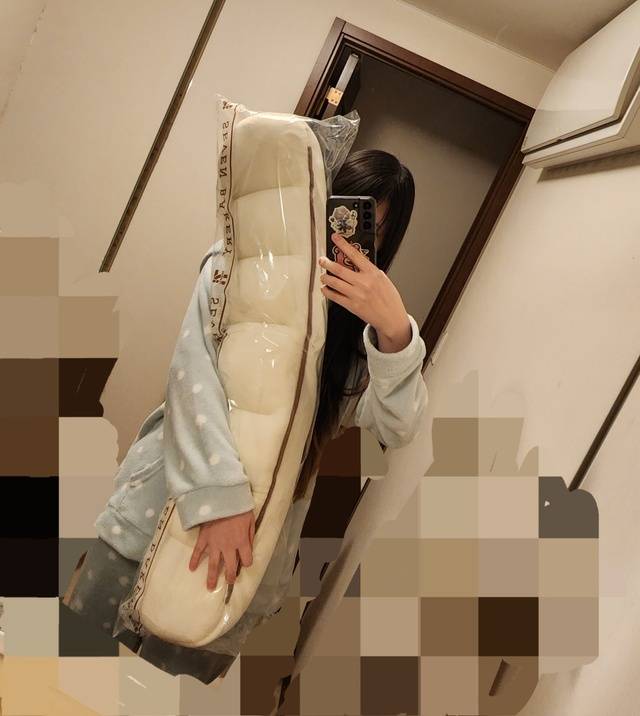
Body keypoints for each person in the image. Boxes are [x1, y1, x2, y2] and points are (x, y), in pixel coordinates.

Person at [64, 149, 428, 684]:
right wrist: (221, 499)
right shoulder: (238, 262)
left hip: (243, 562)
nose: (345, 236)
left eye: (368, 226)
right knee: (69, 675)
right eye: (342, 210)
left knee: (161, 699)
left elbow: (396, 427)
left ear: (382, 242)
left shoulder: (362, 338)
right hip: (155, 512)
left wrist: (395, 334)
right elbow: (192, 375)